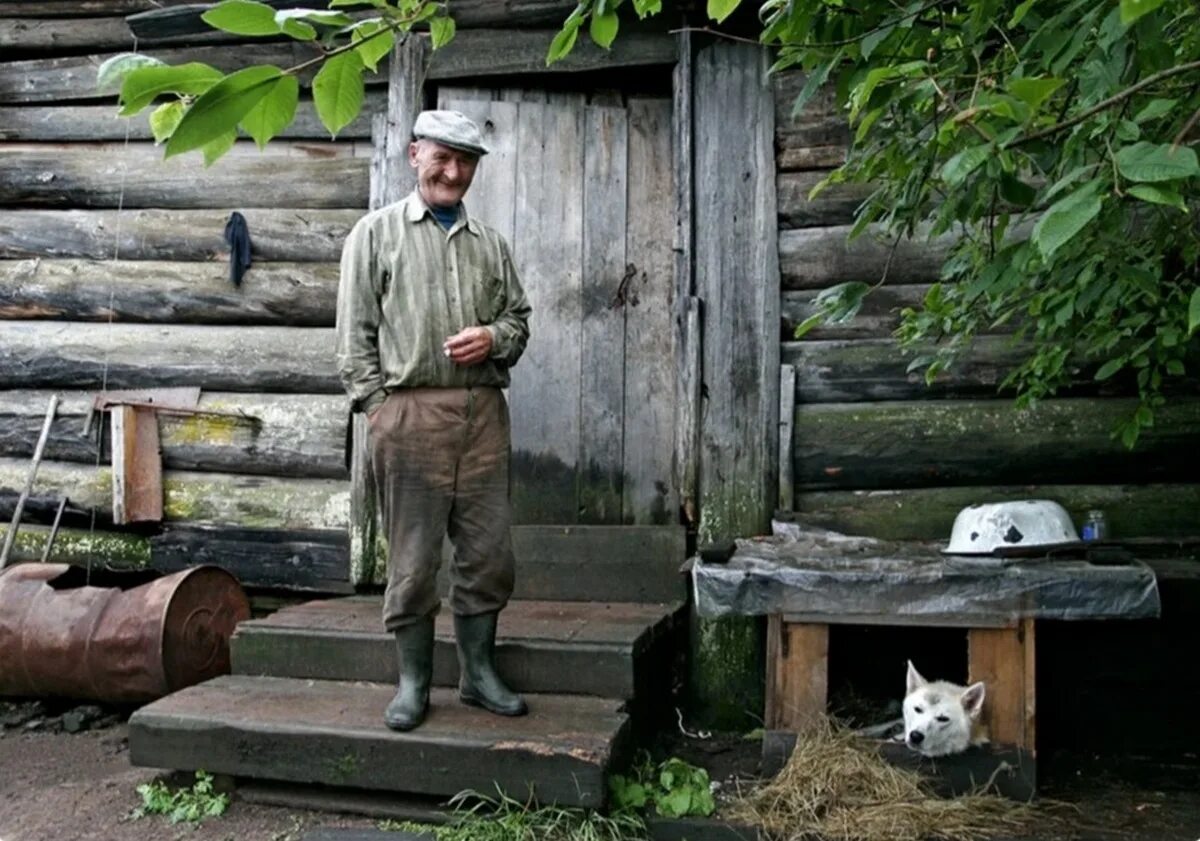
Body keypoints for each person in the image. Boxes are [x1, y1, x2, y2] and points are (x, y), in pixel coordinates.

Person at [335, 110, 532, 731]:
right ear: (414, 154)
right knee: (414, 560)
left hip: (481, 417)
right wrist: (379, 409)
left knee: (488, 553)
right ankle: (414, 683)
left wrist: (494, 338)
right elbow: (353, 337)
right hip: (408, 414)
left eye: (465, 160)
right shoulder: (374, 235)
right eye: (441, 157)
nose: (453, 171)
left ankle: (478, 676)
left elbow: (519, 321)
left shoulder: (491, 245)